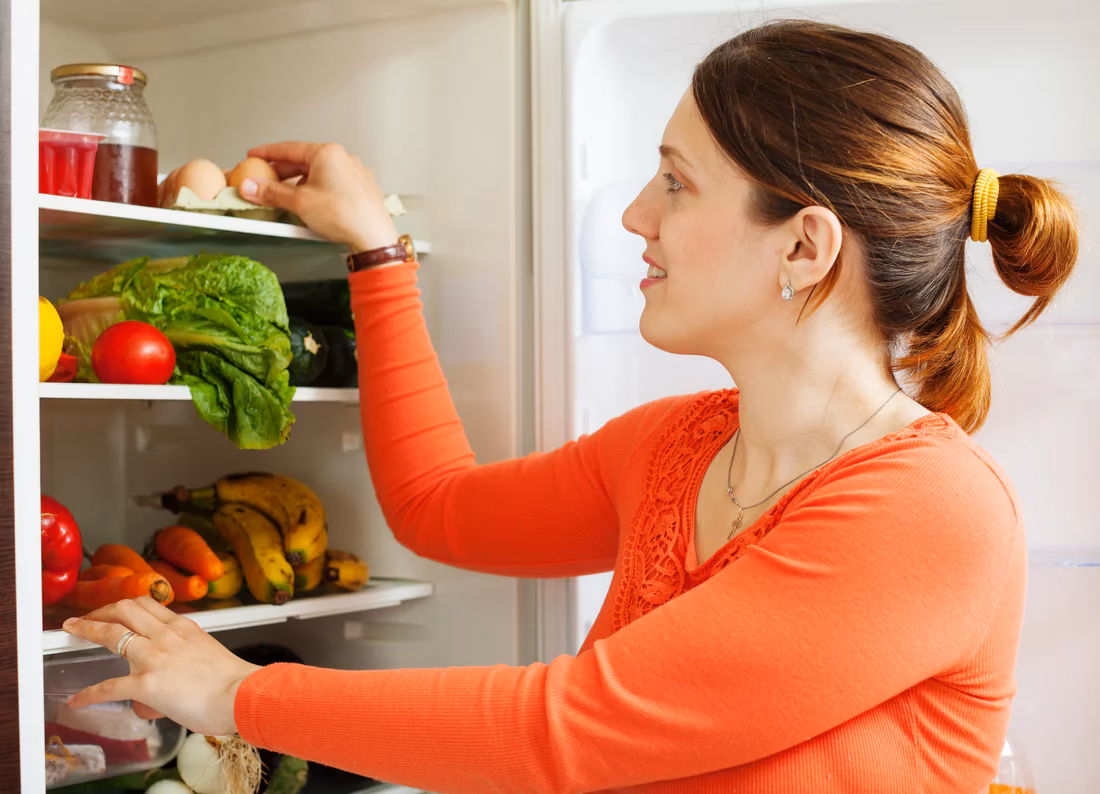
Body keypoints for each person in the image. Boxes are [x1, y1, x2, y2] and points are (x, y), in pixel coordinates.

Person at [63, 19, 1079, 793]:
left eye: (675, 184)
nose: (635, 214)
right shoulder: (676, 446)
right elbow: (436, 505)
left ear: (803, 246)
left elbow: (569, 727)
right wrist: (377, 250)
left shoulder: (928, 510)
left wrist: (238, 693)